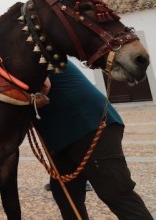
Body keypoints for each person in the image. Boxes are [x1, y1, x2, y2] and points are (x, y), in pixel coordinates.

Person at [33, 63, 152, 219]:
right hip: (65, 135)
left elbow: (43, 86)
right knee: (66, 195)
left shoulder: (32, 52)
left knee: (117, 193)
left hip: (88, 125)